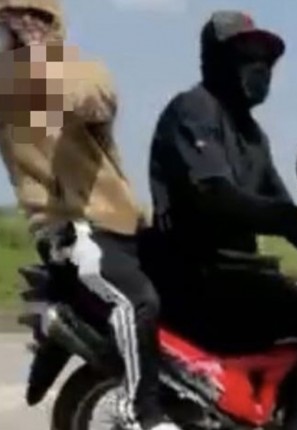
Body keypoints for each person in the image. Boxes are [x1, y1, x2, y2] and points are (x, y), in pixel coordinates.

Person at [145, 10, 297, 430]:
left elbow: (286, 217)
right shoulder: (194, 110)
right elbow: (216, 196)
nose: (261, 69)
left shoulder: (251, 134)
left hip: (235, 276)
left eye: (267, 60)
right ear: (217, 59)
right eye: (248, 57)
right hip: (196, 278)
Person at [0, 2, 177, 429]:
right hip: (72, 228)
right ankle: (140, 412)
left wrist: (45, 67)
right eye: (7, 21)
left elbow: (96, 102)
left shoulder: (81, 69)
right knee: (137, 301)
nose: (15, 29)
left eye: (23, 20)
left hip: (120, 220)